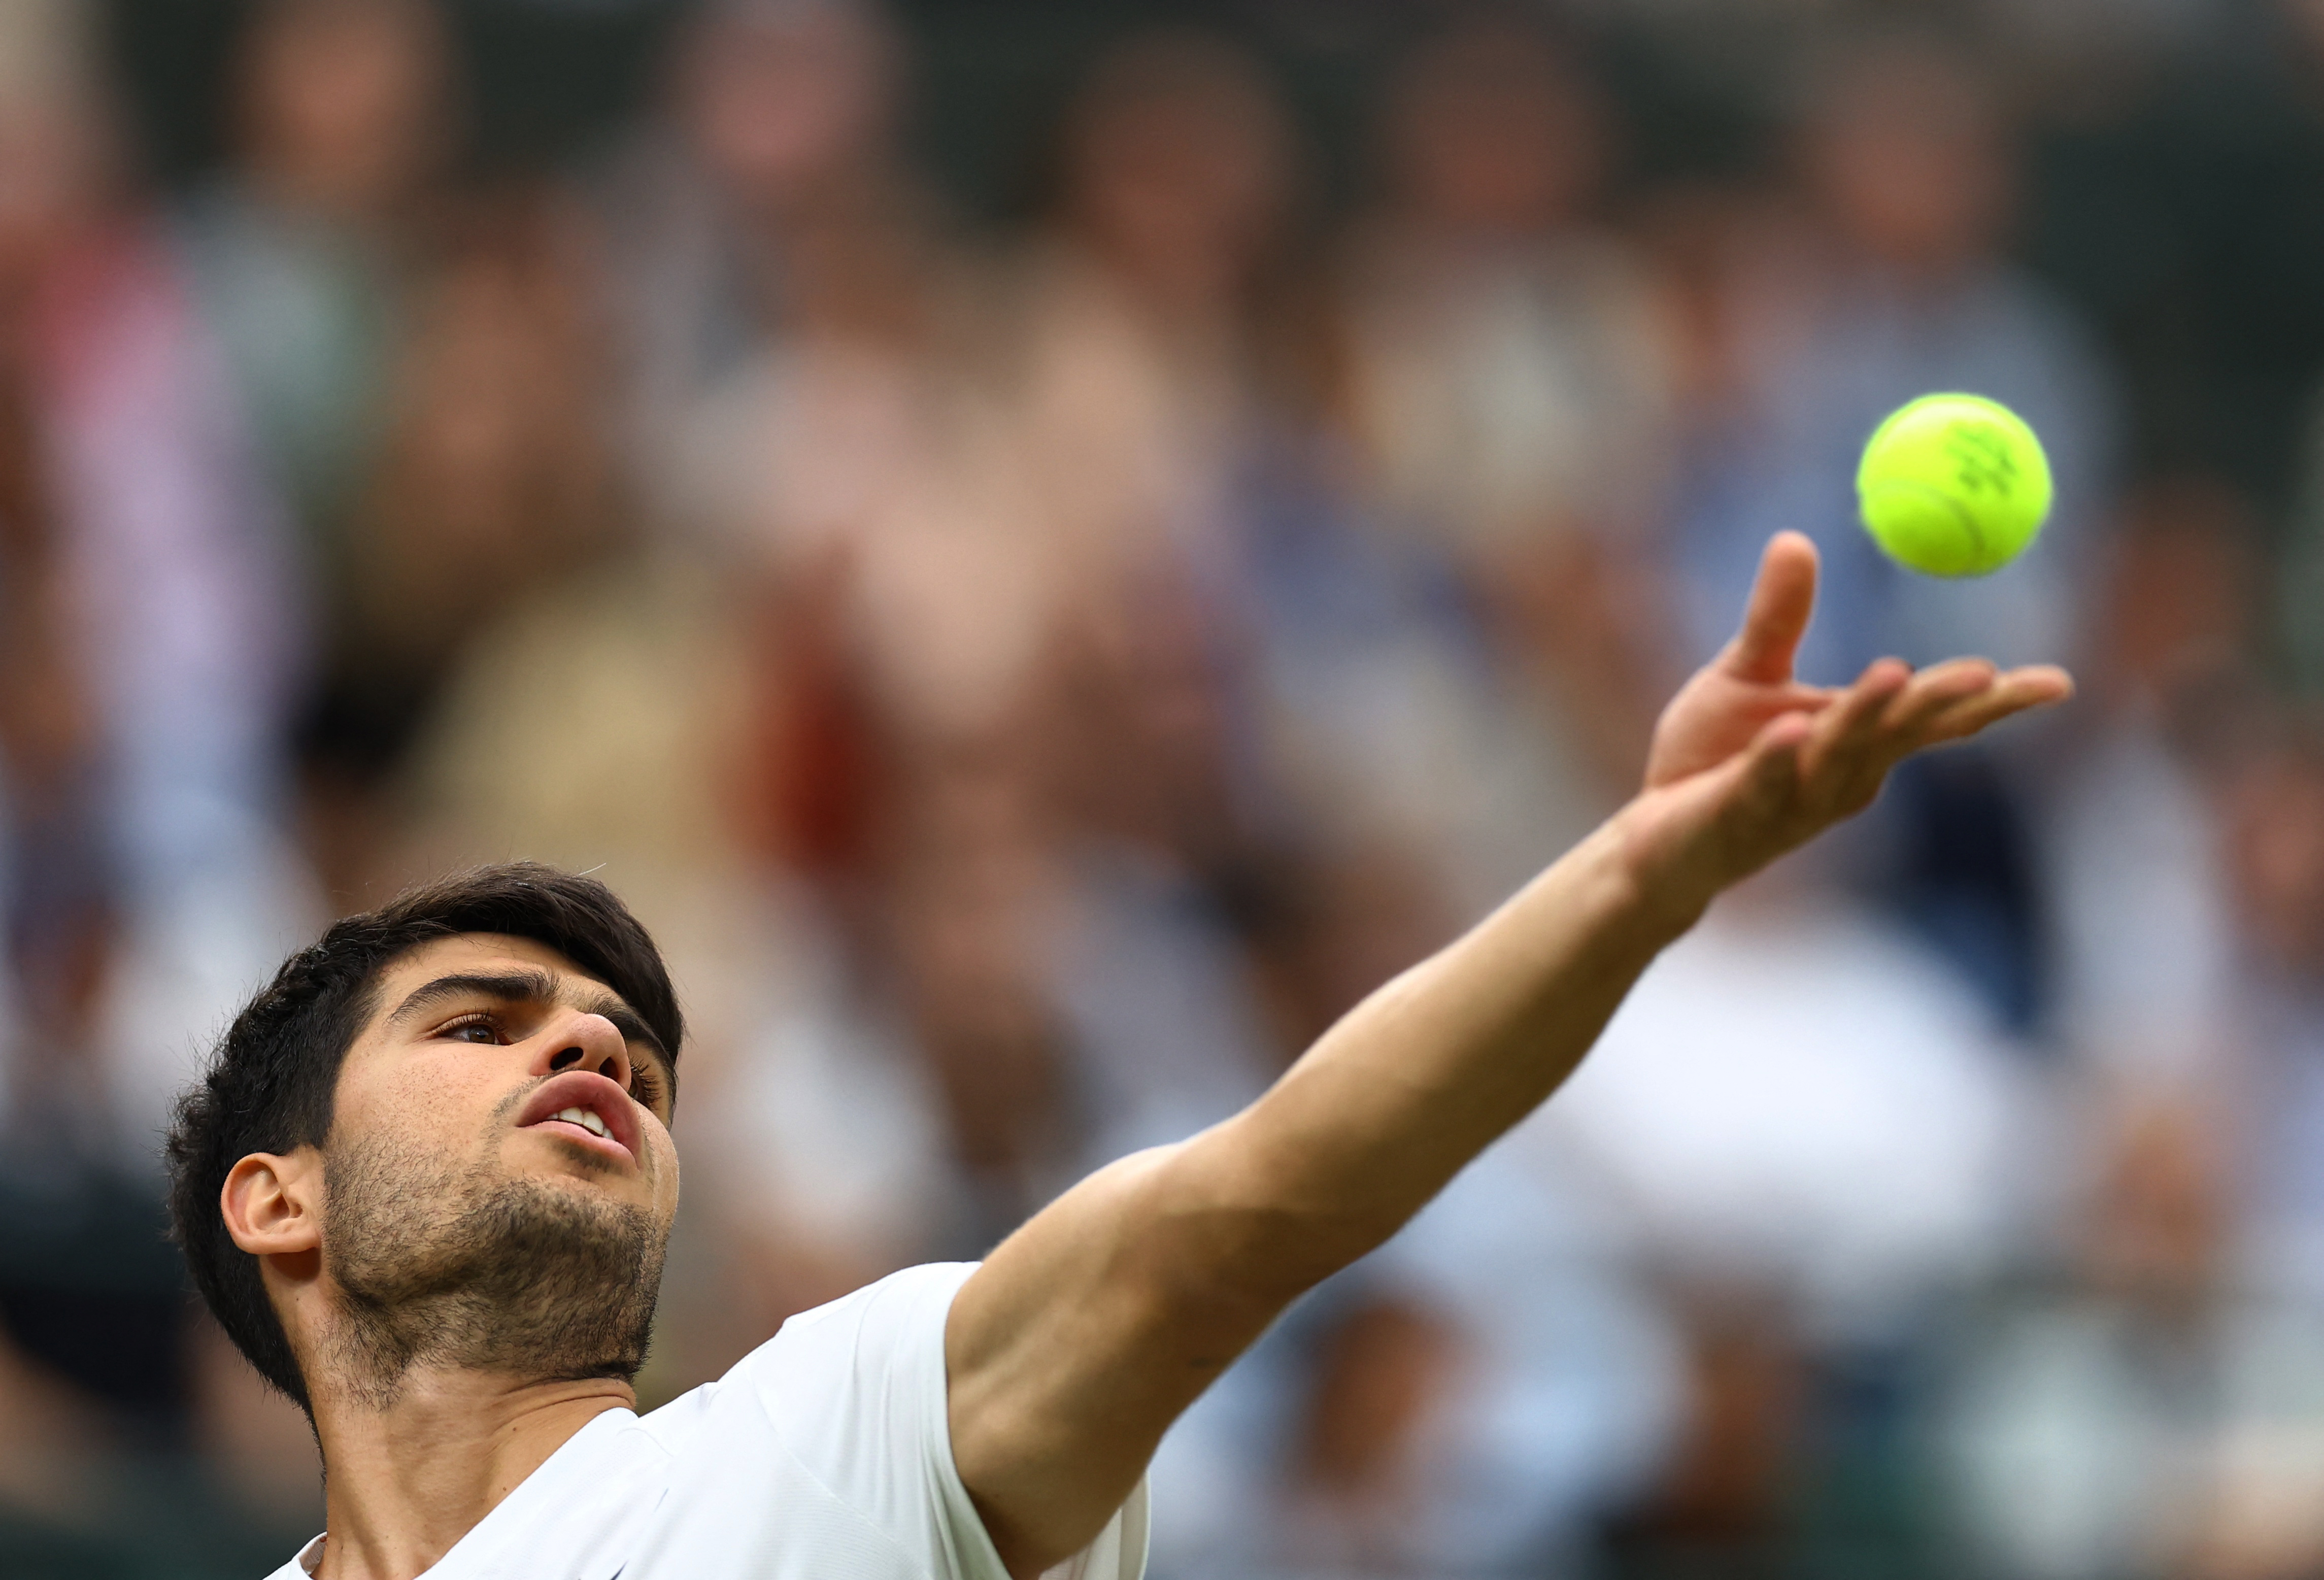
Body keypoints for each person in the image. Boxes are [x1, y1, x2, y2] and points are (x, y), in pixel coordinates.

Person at [163, 532, 2069, 1580]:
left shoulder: (842, 1429)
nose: (591, 1040)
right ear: (280, 1198)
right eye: (477, 1022)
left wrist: (1634, 881)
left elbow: (1248, 1202)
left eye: (637, 1054)